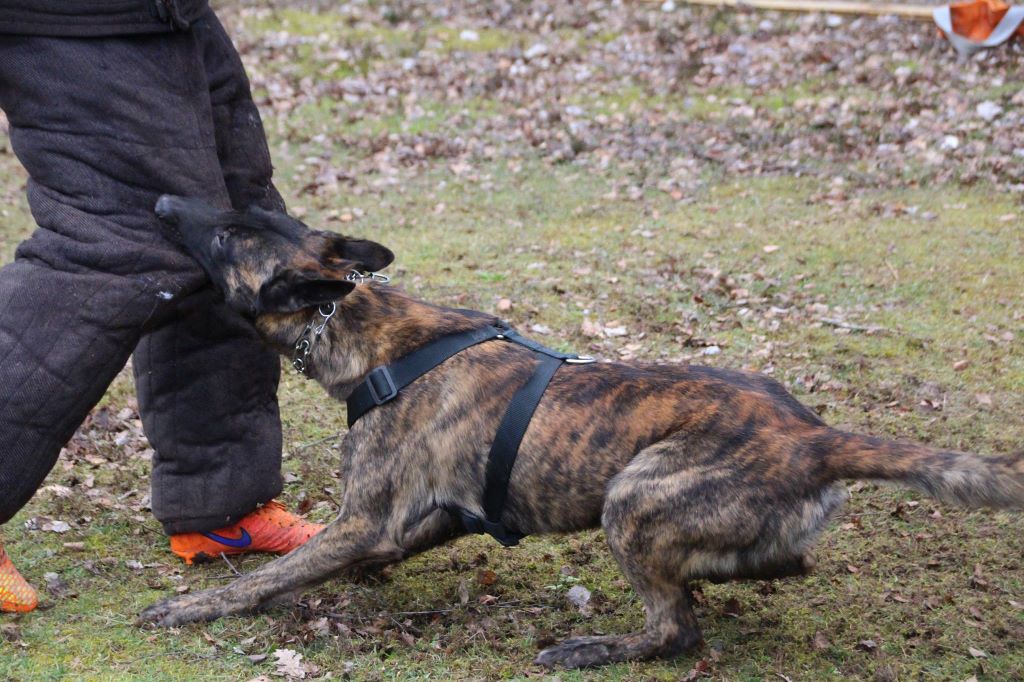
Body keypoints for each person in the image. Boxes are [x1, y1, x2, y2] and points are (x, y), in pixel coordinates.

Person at [0, 0, 322, 613]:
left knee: (235, 231)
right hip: (72, 20)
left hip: (164, 15)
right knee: (114, 243)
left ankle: (221, 504)